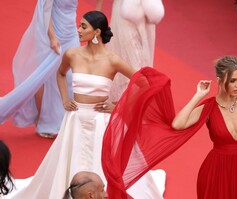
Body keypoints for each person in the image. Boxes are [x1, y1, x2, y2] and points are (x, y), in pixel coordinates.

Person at [5, 10, 165, 199]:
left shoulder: (112, 60)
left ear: (96, 32)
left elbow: (143, 83)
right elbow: (61, 74)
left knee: (101, 162)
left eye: (83, 26)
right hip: (75, 119)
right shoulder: (72, 54)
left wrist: (119, 106)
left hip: (102, 122)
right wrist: (65, 98)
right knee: (69, 160)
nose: (78, 30)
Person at [101, 55, 237, 198]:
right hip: (216, 173)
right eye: (233, 81)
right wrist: (198, 95)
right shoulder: (209, 107)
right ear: (220, 80)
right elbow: (177, 124)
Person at [0, 0, 103, 138]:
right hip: (51, 35)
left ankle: (65, 120)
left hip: (70, 32)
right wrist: (52, 38)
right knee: (45, 78)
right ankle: (43, 121)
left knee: (70, 76)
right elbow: (44, 11)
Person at [103, 0, 165, 102]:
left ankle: (132, 103)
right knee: (128, 56)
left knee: (142, 58)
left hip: (145, 15)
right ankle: (121, 102)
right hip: (124, 17)